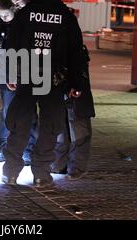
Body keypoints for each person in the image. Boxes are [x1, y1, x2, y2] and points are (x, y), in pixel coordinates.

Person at [2, 0, 84, 188]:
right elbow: (76, 53)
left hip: (28, 76)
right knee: (50, 127)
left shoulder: (25, 13)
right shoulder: (66, 16)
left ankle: (10, 173)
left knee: (20, 124)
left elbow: (11, 45)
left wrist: (10, 74)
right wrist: (76, 83)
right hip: (55, 80)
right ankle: (41, 175)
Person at [0, 0, 37, 165]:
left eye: (6, 15)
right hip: (6, 66)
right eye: (1, 16)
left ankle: (28, 150)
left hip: (26, 67)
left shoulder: (25, 19)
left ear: (15, 9)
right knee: (7, 110)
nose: (4, 19)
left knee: (28, 112)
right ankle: (5, 149)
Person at [51, 44, 95, 180]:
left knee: (74, 129)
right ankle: (70, 167)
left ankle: (66, 166)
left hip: (65, 86)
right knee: (70, 129)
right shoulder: (71, 37)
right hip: (66, 86)